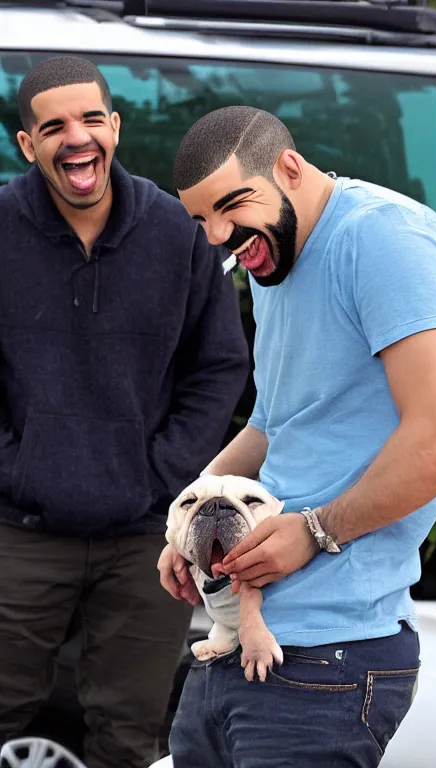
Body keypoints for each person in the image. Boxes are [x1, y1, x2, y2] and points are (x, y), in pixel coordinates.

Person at [158, 105, 436, 767]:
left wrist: (315, 530)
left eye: (231, 206)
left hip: (332, 655)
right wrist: (184, 520)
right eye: (201, 220)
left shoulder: (385, 240)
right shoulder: (271, 253)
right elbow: (275, 423)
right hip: (241, 637)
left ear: (289, 168)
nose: (218, 235)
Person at [0, 60, 249, 768]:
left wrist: (162, 471)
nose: (75, 138)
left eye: (89, 120)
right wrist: (15, 466)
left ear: (114, 127)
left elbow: (221, 364)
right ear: (27, 145)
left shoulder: (178, 233)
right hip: (17, 529)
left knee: (130, 735)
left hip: (147, 537)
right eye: (53, 126)